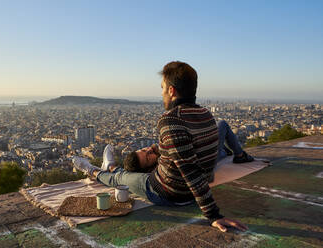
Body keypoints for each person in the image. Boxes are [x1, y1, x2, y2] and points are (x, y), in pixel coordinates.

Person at [72, 61, 248, 232]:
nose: (162, 93)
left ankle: (94, 170)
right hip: (189, 189)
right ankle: (109, 167)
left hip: (168, 192)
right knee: (129, 174)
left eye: (163, 88)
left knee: (123, 178)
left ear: (171, 91)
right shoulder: (206, 114)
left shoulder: (171, 119)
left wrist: (213, 214)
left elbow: (189, 170)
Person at [124, 120, 254, 175]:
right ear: (149, 168)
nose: (148, 150)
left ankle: (224, 152)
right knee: (222, 124)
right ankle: (240, 156)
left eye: (143, 150)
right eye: (148, 157)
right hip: (204, 159)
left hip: (203, 157)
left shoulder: (161, 157)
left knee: (221, 152)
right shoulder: (163, 164)